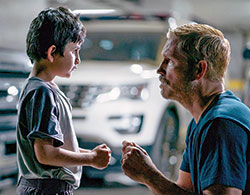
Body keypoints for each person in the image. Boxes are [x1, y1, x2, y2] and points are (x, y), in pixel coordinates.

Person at [121, 23, 250, 194]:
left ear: (199, 69)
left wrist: (149, 176)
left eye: (170, 61)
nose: (160, 70)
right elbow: (183, 189)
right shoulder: (201, 121)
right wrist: (148, 174)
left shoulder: (222, 123)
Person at [16, 7, 111, 195]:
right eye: (75, 51)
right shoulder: (41, 92)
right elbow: (45, 154)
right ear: (52, 52)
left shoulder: (39, 88)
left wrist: (87, 153)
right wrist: (91, 159)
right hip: (47, 189)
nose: (78, 60)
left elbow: (55, 147)